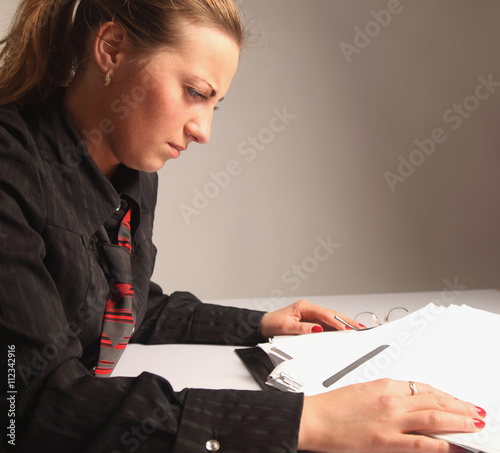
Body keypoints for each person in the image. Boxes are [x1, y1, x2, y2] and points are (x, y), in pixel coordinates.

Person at [0, 0, 485, 452]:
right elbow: (31, 403)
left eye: (214, 104)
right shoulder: (10, 167)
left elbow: (121, 304)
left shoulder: (133, 171)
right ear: (111, 49)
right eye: (194, 93)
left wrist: (260, 325)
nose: (203, 130)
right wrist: (304, 421)